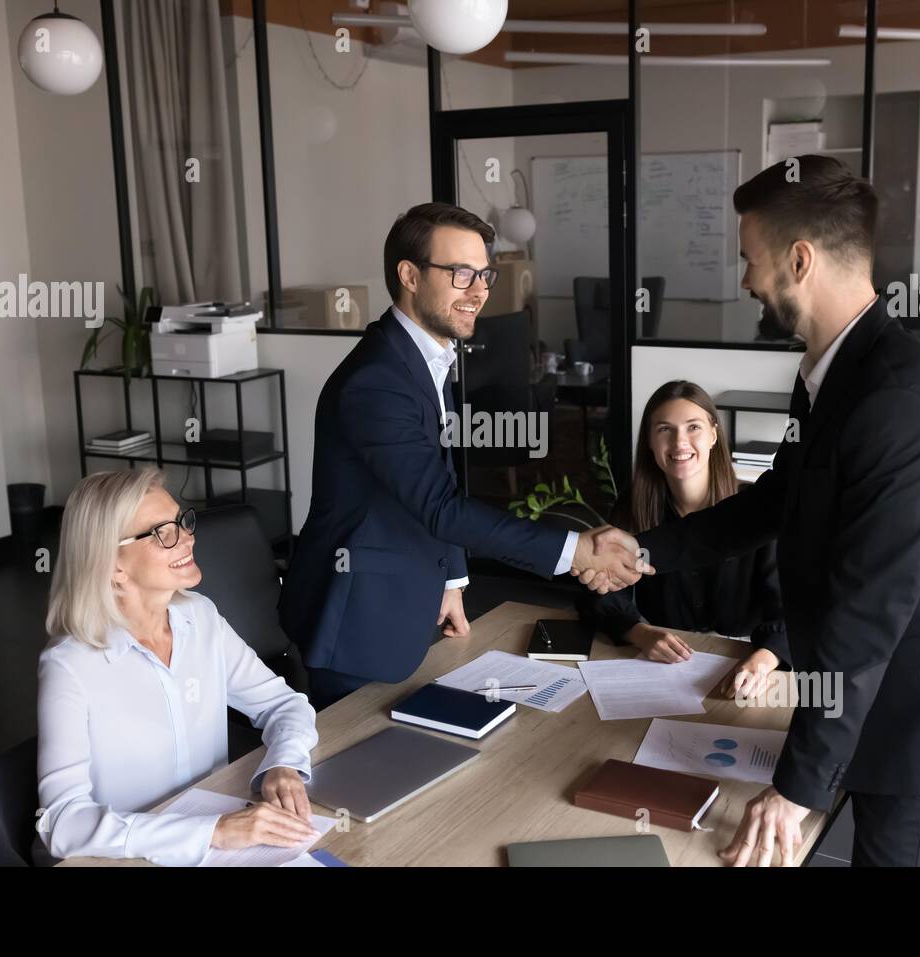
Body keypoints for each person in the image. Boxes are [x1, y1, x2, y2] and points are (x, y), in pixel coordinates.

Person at [580, 156, 920, 867]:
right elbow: (776, 500)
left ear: (799, 259)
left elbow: (868, 611)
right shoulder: (829, 373)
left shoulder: (899, 402)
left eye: (750, 260)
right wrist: (645, 549)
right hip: (860, 691)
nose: (747, 280)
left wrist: (796, 786)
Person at [281, 201, 648, 709]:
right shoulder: (377, 381)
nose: (479, 291)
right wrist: (577, 553)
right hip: (353, 622)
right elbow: (440, 506)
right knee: (358, 777)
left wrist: (451, 579)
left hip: (407, 603)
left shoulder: (426, 355)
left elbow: (441, 480)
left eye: (484, 274)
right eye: (460, 274)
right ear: (409, 275)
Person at [36, 468, 319, 866]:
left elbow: (284, 705)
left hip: (224, 840)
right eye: (161, 532)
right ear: (113, 565)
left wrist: (285, 763)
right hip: (131, 857)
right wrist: (214, 832)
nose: (187, 537)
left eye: (182, 522)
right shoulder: (70, 666)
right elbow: (63, 824)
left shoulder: (200, 617)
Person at [579, 380, 789, 700]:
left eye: (693, 427)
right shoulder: (632, 508)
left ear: (714, 435)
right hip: (666, 665)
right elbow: (599, 591)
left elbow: (793, 607)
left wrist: (764, 659)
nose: (680, 442)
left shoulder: (755, 511)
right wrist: (640, 633)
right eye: (665, 429)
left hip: (748, 665)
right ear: (649, 441)